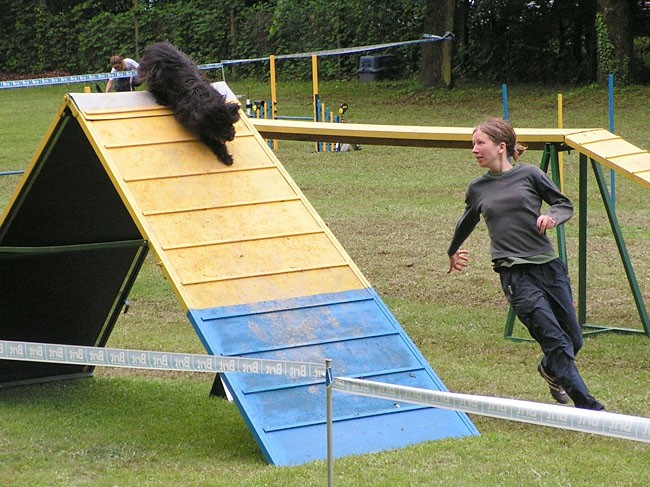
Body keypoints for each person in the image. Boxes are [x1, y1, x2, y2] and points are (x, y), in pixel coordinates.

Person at [446, 117, 605, 411]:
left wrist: (552, 217)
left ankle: (549, 370)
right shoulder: (478, 188)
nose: (474, 149)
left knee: (573, 340)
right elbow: (467, 219)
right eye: (473, 144)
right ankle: (590, 408)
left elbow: (563, 204)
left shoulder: (530, 175)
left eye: (480, 143)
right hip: (514, 274)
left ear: (501, 146)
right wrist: (452, 250)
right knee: (556, 342)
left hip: (549, 266)